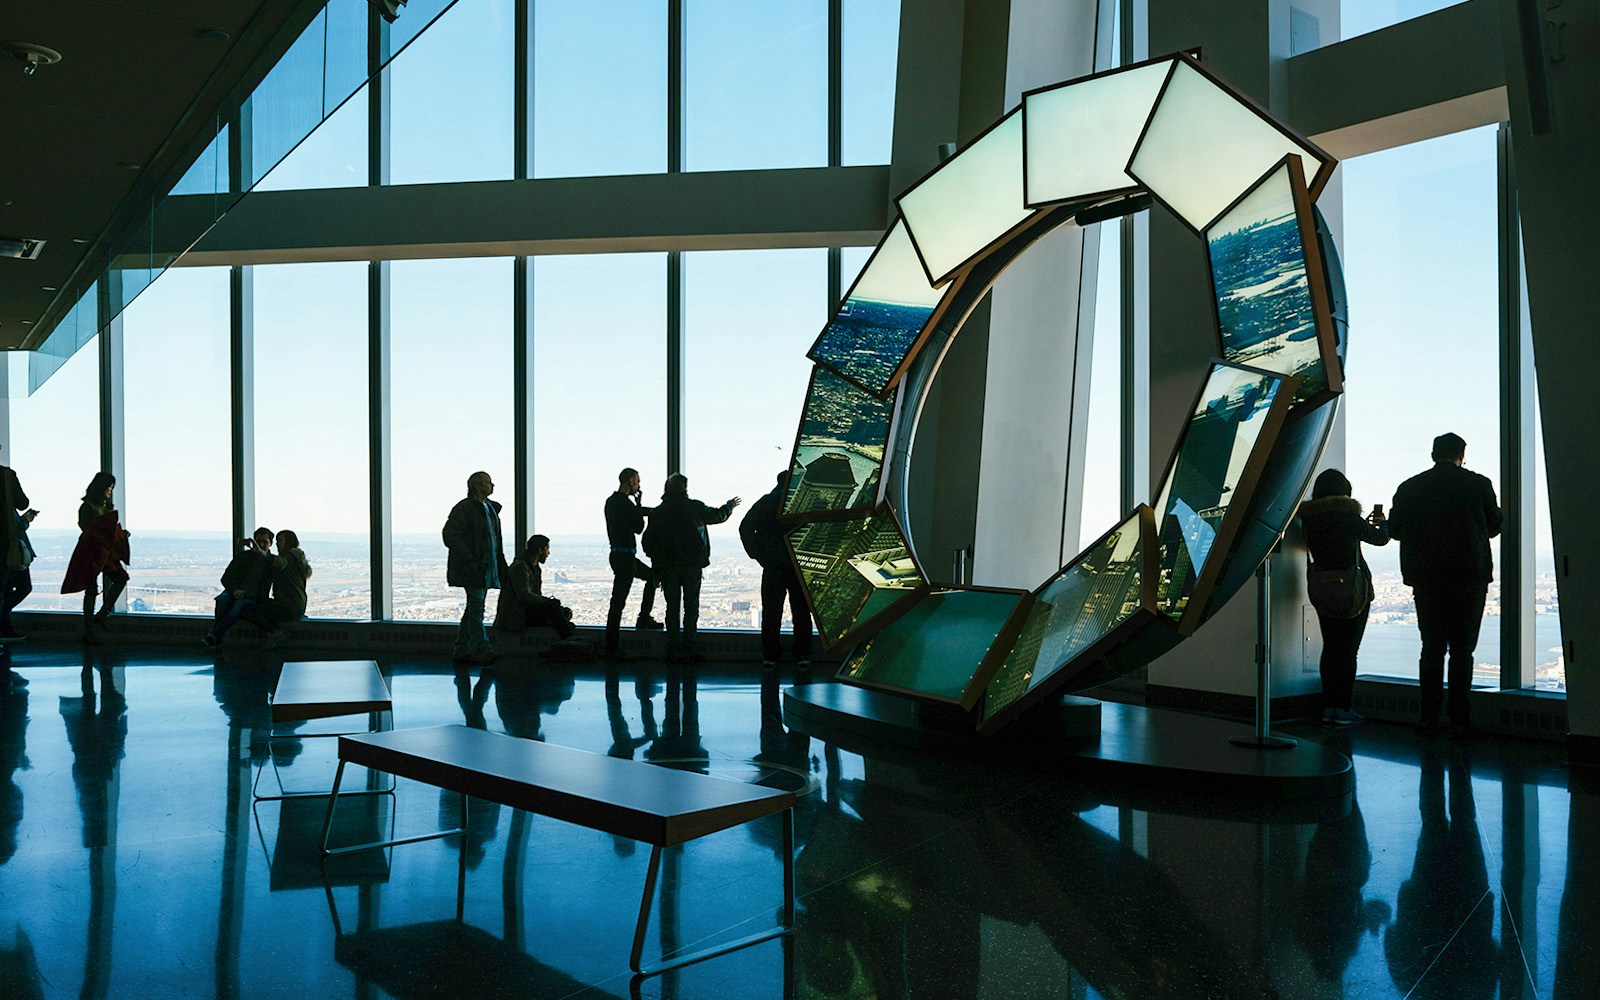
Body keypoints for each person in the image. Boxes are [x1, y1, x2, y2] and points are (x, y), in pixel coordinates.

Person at [1388, 432, 1504, 736]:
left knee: (1432, 648)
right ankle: (1459, 720)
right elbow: (1494, 525)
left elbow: (1395, 530)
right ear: (1462, 456)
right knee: (1462, 651)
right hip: (1469, 577)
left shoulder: (1410, 487)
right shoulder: (1479, 484)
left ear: (1433, 455)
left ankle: (1428, 718)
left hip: (1426, 578)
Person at [1299, 469, 1389, 726]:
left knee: (1330, 648)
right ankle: (1344, 708)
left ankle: (1329, 707)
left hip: (1323, 589)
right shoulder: (1349, 517)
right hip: (1352, 590)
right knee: (1349, 650)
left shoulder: (1309, 520)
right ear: (1345, 492)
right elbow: (1380, 539)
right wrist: (1383, 523)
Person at [642, 473, 739, 663]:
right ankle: (690, 650)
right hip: (692, 566)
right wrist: (729, 506)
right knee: (691, 607)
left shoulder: (658, 513)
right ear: (685, 488)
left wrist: (658, 563)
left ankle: (673, 650)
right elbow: (717, 516)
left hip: (668, 568)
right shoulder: (695, 507)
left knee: (672, 608)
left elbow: (648, 542)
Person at [740, 471, 814, 671]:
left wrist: (757, 554)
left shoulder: (766, 502)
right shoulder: (801, 502)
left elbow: (745, 527)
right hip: (798, 566)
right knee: (801, 612)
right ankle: (802, 654)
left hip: (772, 566)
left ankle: (770, 656)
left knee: (771, 612)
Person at [443, 471, 508, 666]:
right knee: (477, 607)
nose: (492, 485)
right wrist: (470, 559)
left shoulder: (489, 509)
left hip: (483, 567)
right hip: (474, 568)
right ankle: (483, 649)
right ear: (478, 486)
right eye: (489, 482)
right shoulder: (466, 509)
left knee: (473, 607)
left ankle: (461, 650)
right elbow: (450, 535)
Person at [61, 473, 130, 645]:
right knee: (93, 588)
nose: (110, 491)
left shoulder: (94, 506)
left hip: (101, 550)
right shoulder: (90, 507)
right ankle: (95, 623)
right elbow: (91, 529)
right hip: (93, 551)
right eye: (109, 487)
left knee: (111, 582)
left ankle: (96, 621)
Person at [604, 467, 663, 660]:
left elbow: (634, 516)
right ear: (631, 481)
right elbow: (639, 527)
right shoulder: (625, 503)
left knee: (620, 599)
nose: (639, 485)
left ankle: (639, 622)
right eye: (637, 481)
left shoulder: (612, 502)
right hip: (626, 558)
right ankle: (613, 645)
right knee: (618, 602)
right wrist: (639, 504)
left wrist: (640, 508)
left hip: (620, 555)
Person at [203, 528, 275, 648]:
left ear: (270, 543)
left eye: (265, 542)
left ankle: (215, 636)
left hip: (255, 597)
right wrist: (235, 590)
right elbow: (226, 578)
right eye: (258, 542)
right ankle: (216, 637)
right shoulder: (243, 557)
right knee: (222, 600)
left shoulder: (271, 562)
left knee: (238, 605)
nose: (261, 545)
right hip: (235, 591)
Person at [241, 529, 312, 650]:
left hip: (288, 607)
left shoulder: (289, 558)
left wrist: (261, 552)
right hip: (297, 606)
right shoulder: (298, 558)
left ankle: (275, 633)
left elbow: (279, 563)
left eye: (280, 541)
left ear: (288, 542)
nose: (277, 544)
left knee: (249, 610)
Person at [496, 534, 576, 639]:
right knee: (556, 609)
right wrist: (548, 602)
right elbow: (523, 596)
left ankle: (565, 637)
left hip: (524, 611)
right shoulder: (520, 567)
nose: (548, 553)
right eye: (547, 549)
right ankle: (568, 640)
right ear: (540, 550)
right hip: (517, 614)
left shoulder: (533, 568)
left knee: (565, 612)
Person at [0, 455, 29, 642]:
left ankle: (4, 627)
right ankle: (3, 625)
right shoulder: (6, 475)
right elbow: (22, 503)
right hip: (6, 543)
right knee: (21, 586)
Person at [1, 508, 38, 643]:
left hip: (6, 555)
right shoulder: (7, 505)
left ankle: (5, 629)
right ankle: (3, 622)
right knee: (24, 588)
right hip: (13, 555)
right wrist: (25, 520)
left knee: (6, 592)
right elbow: (15, 529)